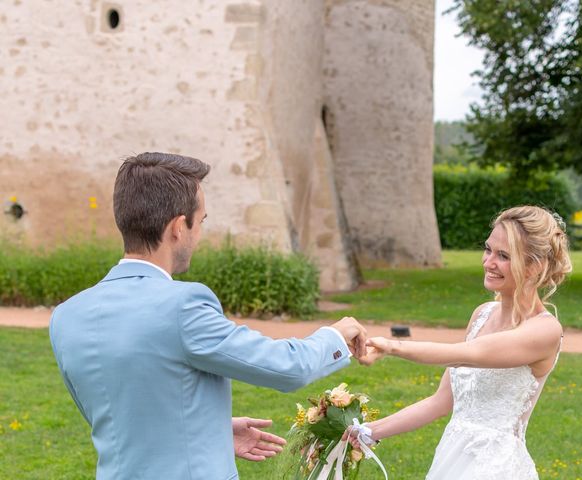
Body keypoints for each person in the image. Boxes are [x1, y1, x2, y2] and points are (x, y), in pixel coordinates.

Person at [49, 152, 368, 480]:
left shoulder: (66, 316)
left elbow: (114, 414)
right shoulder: (183, 305)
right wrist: (335, 334)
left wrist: (207, 431)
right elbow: (286, 367)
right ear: (177, 228)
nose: (199, 233)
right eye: (200, 221)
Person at [348, 205, 572, 479]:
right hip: (453, 455)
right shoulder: (482, 314)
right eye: (488, 249)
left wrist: (393, 346)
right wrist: (369, 431)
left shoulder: (544, 330)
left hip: (495, 465)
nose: (488, 262)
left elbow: (464, 354)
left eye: (503, 256)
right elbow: (441, 402)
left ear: (533, 266)